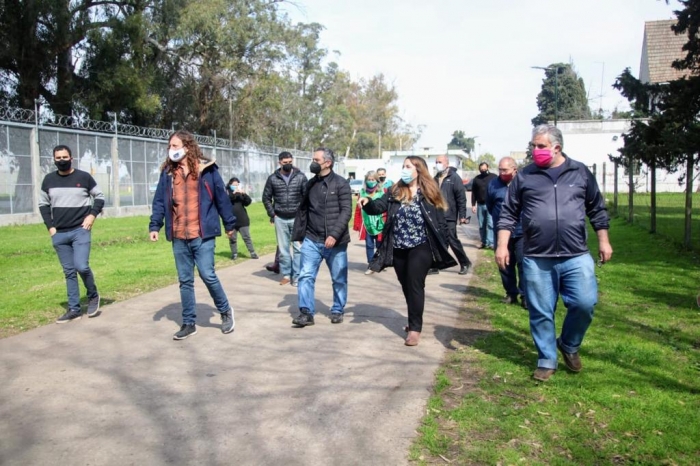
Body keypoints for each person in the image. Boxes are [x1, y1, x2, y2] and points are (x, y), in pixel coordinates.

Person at [496, 124, 613, 381]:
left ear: (556, 147)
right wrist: (502, 245)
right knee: (540, 311)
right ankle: (546, 359)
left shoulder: (580, 172)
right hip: (537, 257)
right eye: (533, 146)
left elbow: (597, 209)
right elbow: (508, 213)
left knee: (585, 303)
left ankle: (569, 344)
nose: (535, 150)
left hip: (576, 255)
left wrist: (603, 241)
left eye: (540, 146)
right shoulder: (525, 176)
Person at [359, 156, 456, 346]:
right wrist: (367, 202)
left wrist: (443, 245)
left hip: (422, 246)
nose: (404, 169)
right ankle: (414, 317)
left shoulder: (429, 191)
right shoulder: (395, 190)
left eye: (408, 166)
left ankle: (414, 329)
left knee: (414, 283)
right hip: (398, 246)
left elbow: (440, 222)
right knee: (405, 284)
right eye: (403, 166)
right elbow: (378, 207)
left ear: (418, 170)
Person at [149, 130, 237, 340]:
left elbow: (221, 198)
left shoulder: (207, 170)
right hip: (179, 235)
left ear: (187, 147)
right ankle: (189, 322)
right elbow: (160, 201)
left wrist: (229, 223)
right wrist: (155, 226)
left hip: (202, 234)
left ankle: (225, 311)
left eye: (175, 146)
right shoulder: (168, 173)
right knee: (185, 280)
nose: (171, 150)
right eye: (170, 146)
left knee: (207, 274)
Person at [39, 144, 104, 323]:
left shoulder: (83, 177)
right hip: (59, 233)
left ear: (71, 158)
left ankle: (93, 295)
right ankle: (74, 309)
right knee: (69, 271)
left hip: (80, 231)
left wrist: (91, 216)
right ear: (54, 160)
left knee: (81, 266)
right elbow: (43, 205)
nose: (62, 161)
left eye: (65, 157)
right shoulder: (49, 180)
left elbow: (99, 196)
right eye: (58, 158)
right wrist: (51, 228)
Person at [291, 147, 352, 327]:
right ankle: (306, 313)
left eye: (316, 160)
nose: (313, 163)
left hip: (336, 242)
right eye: (313, 159)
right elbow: (304, 210)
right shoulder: (310, 184)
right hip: (312, 238)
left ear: (328, 163)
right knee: (305, 276)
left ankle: (337, 309)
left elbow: (346, 211)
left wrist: (334, 234)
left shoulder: (341, 184)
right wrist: (301, 233)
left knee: (339, 278)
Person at [262, 151, 308, 286]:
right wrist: (272, 214)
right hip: (280, 218)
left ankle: (297, 276)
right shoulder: (272, 178)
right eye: (285, 163)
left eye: (290, 162)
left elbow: (306, 197)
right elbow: (266, 198)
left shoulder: (300, 177)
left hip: (296, 218)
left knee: (298, 249)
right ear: (279, 163)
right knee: (283, 250)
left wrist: (303, 215)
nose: (288, 165)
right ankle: (287, 274)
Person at [486, 157, 525, 307]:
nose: (502, 173)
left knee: (524, 264)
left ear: (514, 169)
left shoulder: (523, 182)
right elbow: (490, 205)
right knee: (504, 263)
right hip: (501, 231)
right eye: (500, 170)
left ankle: (525, 295)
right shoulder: (493, 185)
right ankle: (511, 293)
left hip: (522, 231)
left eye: (505, 170)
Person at [431, 154, 472, 275]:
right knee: (439, 240)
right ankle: (437, 265)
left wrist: (462, 216)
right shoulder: (435, 178)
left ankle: (465, 262)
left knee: (452, 240)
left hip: (449, 215)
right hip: (437, 214)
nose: (437, 164)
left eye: (440, 162)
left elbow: (461, 198)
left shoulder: (454, 178)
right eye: (436, 161)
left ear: (446, 163)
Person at [352, 170, 386, 274]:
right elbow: (358, 209)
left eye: (373, 180)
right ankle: (371, 265)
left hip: (380, 222)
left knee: (380, 245)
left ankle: (380, 263)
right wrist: (357, 224)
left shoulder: (382, 192)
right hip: (367, 223)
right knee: (369, 245)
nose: (371, 181)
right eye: (369, 180)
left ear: (377, 180)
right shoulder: (362, 193)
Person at [226, 177, 259, 260]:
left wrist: (244, 193)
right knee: (233, 239)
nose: (236, 186)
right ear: (230, 185)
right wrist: (234, 193)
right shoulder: (227, 192)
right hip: (231, 220)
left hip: (242, 219)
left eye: (237, 184)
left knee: (246, 237)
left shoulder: (240, 193)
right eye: (234, 185)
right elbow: (228, 200)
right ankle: (234, 254)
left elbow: (248, 202)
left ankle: (252, 252)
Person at [471, 162, 497, 249]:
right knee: (482, 225)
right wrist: (473, 205)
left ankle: (491, 243)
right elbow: (473, 192)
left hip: (491, 204)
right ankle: (483, 242)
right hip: (480, 205)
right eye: (481, 170)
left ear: (488, 167)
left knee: (490, 224)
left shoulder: (494, 177)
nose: (483, 171)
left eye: (484, 169)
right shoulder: (476, 179)